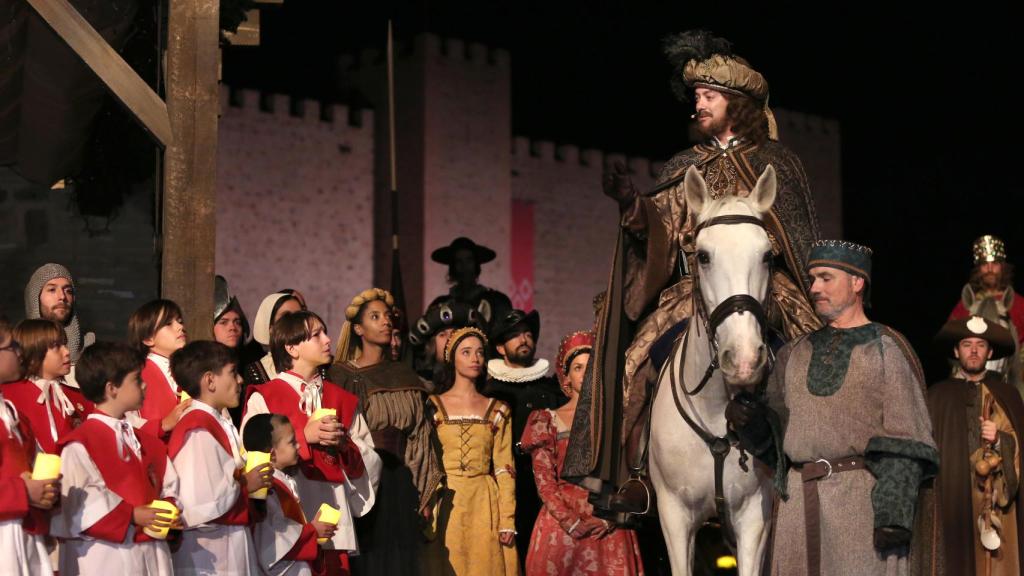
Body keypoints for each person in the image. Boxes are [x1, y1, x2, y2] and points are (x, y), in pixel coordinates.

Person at [572, 30, 822, 504]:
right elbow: (663, 225)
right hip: (694, 289)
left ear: (737, 102)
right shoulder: (684, 164)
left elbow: (798, 238)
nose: (698, 106)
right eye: (697, 97)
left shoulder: (777, 163)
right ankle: (632, 473)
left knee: (815, 351)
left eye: (709, 96)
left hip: (764, 286)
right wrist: (632, 203)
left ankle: (813, 458)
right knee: (634, 361)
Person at [726, 240, 938, 575]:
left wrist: (893, 515)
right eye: (812, 279)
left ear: (857, 282)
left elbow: (907, 439)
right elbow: (774, 447)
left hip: (859, 509)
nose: (814, 288)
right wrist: (749, 423)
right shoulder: (792, 353)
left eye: (826, 278)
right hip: (798, 510)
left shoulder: (886, 349)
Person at [243, 311, 380, 574]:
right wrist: (303, 437)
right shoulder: (265, 396)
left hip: (335, 513)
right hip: (285, 520)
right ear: (291, 348)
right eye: (316, 335)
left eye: (324, 332)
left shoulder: (341, 398)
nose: (328, 340)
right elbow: (251, 456)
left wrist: (344, 445)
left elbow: (370, 460)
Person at [326, 288, 441, 575]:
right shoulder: (342, 376)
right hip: (362, 480)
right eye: (375, 317)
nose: (386, 322)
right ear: (358, 329)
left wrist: (422, 492)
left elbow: (420, 436)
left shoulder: (405, 375)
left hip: (400, 480)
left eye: (388, 316)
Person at [521, 330, 644, 575]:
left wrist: (610, 517)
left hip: (607, 523)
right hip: (561, 526)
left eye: (590, 367)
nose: (585, 374)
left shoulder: (616, 421)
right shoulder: (547, 420)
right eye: (578, 367)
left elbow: (628, 475)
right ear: (566, 376)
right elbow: (545, 481)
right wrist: (569, 520)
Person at [52, 342, 180, 575]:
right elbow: (79, 502)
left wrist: (169, 508)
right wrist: (131, 515)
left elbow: (169, 484)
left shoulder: (147, 441)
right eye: (137, 379)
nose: (144, 384)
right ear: (112, 388)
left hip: (151, 551)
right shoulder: (81, 443)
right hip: (105, 557)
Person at [928, 316, 1024, 575]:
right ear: (956, 351)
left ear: (989, 353)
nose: (973, 351)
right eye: (966, 344)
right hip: (953, 499)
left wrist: (1000, 439)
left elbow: (1019, 445)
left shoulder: (1007, 395)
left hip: (997, 501)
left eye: (980, 345)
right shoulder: (937, 396)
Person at [168, 340, 271, 576]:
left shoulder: (215, 420)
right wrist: (247, 484)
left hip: (227, 545)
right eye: (233, 372)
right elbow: (203, 502)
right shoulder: (197, 428)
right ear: (210, 381)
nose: (240, 380)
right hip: (209, 555)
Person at [427, 327, 518, 575]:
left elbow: (505, 468)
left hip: (483, 502)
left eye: (479, 352)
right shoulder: (433, 406)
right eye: (466, 352)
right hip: (446, 500)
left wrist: (507, 519)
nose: (475, 358)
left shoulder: (497, 409)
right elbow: (425, 460)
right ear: (452, 358)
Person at [484, 309, 566, 556]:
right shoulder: (489, 392)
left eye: (528, 334)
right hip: (506, 488)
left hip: (548, 487)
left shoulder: (551, 390)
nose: (523, 339)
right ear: (500, 348)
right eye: (515, 335)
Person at [243, 413, 338, 576]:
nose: (299, 445)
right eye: (292, 442)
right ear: (272, 454)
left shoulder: (282, 480)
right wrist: (312, 531)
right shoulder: (267, 488)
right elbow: (273, 539)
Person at [0, 315, 57, 576]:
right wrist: (23, 491)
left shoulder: (14, 414)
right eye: (12, 346)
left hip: (24, 534)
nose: (20, 352)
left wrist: (45, 489)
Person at [3, 319, 92, 454]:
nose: (66, 351)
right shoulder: (9, 398)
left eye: (64, 344)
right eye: (56, 346)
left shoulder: (78, 396)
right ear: (32, 353)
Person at [949, 236, 1024, 380]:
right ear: (978, 269)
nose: (990, 269)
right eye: (984, 264)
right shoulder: (965, 306)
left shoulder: (1019, 304)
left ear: (1002, 267)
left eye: (994, 264)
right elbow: (950, 341)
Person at [126, 299, 191, 441]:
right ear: (148, 339)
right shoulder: (134, 375)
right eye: (168, 324)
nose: (180, 327)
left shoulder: (195, 369)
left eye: (180, 321)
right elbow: (123, 425)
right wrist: (162, 425)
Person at [429, 237, 513, 332]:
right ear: (453, 267)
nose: (464, 267)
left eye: (469, 260)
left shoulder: (497, 302)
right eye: (458, 261)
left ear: (476, 264)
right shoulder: (440, 305)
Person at [23, 263, 94, 364]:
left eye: (68, 291)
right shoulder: (17, 352)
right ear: (35, 298)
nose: (62, 296)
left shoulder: (91, 351)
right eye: (52, 290)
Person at [408, 299, 481, 390]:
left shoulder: (478, 379)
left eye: (454, 332)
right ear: (432, 346)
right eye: (442, 335)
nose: (450, 338)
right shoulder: (420, 386)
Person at [242, 292, 304, 387]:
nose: (294, 322)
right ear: (271, 328)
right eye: (286, 317)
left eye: (299, 316)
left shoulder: (318, 364)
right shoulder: (257, 371)